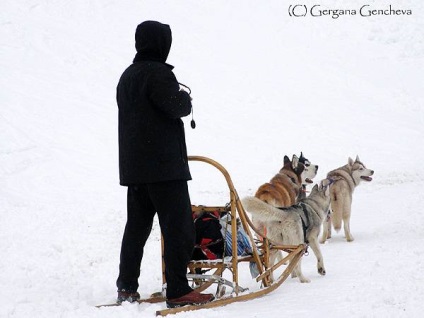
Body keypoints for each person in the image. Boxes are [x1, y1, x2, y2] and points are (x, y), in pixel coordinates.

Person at [115, 20, 214, 308]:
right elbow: (177, 107)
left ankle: (126, 287)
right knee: (179, 228)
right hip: (164, 167)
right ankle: (179, 290)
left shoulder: (127, 76)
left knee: (137, 228)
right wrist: (184, 97)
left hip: (135, 168)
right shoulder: (158, 73)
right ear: (161, 44)